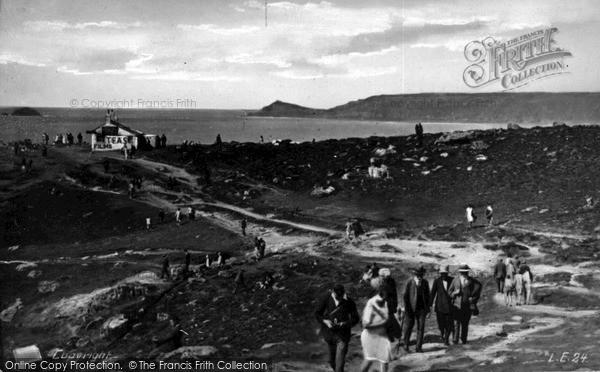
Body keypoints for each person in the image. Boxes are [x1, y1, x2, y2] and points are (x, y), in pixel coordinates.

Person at [314, 284, 360, 372]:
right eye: (337, 296)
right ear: (332, 292)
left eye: (341, 296)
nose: (339, 299)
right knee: (331, 361)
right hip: (329, 334)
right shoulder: (326, 297)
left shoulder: (349, 301)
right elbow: (317, 313)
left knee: (339, 365)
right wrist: (325, 321)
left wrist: (345, 324)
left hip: (342, 336)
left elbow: (356, 318)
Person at [448, 264, 482, 345]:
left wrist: (473, 298)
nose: (465, 274)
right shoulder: (455, 280)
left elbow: (478, 288)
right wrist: (454, 293)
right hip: (457, 305)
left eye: (466, 272)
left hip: (467, 306)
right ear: (460, 272)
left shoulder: (472, 281)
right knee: (456, 323)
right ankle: (455, 340)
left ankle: (464, 339)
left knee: (465, 324)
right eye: (463, 272)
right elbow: (449, 292)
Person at [360, 288, 392, 372]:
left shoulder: (385, 303)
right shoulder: (371, 303)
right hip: (370, 336)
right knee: (369, 359)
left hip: (382, 336)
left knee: (385, 360)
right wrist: (382, 323)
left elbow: (386, 318)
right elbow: (365, 325)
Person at [400, 266, 430, 353]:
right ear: (415, 275)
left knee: (421, 328)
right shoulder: (409, 282)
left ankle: (418, 347)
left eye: (421, 275)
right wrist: (403, 306)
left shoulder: (425, 283)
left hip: (421, 309)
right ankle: (406, 345)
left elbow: (428, 297)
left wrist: (428, 309)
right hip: (410, 309)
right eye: (418, 275)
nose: (420, 277)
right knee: (408, 327)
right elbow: (403, 295)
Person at [429, 265, 454, 346]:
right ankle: (442, 334)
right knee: (441, 324)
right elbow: (432, 293)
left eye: (445, 274)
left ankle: (446, 339)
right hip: (439, 307)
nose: (443, 275)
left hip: (449, 306)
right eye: (442, 274)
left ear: (447, 273)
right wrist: (429, 305)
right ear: (440, 273)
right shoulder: (437, 281)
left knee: (449, 324)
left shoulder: (452, 280)